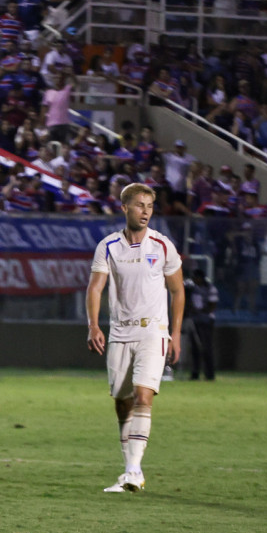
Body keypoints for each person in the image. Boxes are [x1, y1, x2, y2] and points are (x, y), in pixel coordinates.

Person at [86, 183, 184, 493]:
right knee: (122, 401)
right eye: (139, 205)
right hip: (120, 332)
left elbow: (178, 290)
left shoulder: (162, 245)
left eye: (150, 206)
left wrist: (176, 334)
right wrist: (93, 325)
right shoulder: (109, 246)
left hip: (152, 331)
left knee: (144, 397)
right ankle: (130, 469)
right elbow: (95, 287)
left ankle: (132, 470)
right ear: (125, 207)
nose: (145, 211)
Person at [183, 268, 218, 380]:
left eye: (195, 277)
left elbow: (212, 306)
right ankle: (195, 373)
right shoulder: (192, 289)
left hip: (206, 321)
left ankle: (210, 374)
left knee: (206, 348)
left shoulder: (210, 288)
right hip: (195, 321)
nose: (194, 280)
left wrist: (198, 311)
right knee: (194, 349)